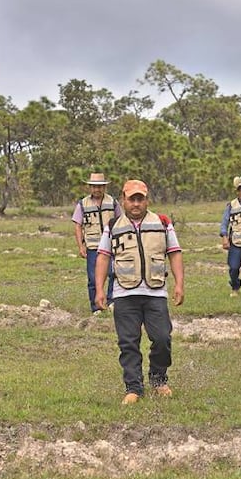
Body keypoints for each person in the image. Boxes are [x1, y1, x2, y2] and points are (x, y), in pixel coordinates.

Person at [94, 179, 185, 405]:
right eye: (131, 199)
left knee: (162, 338)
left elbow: (174, 253)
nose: (136, 204)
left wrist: (179, 284)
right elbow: (103, 257)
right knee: (128, 343)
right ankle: (133, 388)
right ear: (123, 200)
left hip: (155, 293)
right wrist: (99, 290)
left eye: (140, 199)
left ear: (147, 200)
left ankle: (158, 379)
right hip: (124, 293)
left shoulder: (162, 223)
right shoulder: (113, 225)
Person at [72, 172, 122, 313]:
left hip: (112, 246)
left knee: (114, 273)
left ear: (104, 187)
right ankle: (96, 308)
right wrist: (81, 246)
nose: (97, 189)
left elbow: (122, 220)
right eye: (94, 187)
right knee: (93, 279)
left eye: (100, 187)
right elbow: (77, 225)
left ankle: (112, 301)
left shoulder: (112, 202)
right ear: (90, 187)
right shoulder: (82, 204)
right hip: (93, 247)